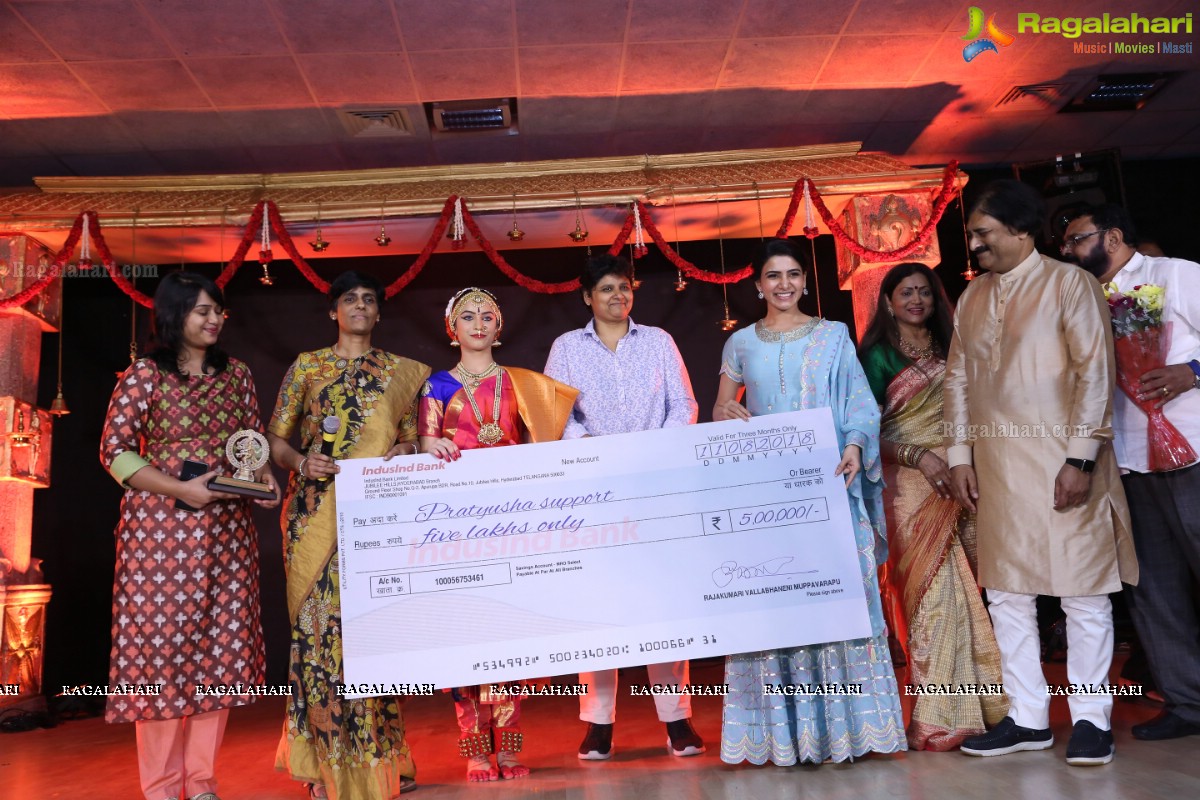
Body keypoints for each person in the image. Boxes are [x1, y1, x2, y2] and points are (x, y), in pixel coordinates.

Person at [945, 180, 1137, 766]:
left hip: (1064, 464)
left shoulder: (1069, 283)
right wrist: (959, 456)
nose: (974, 243)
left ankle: (1090, 719)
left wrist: (1080, 458)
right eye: (973, 234)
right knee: (1007, 593)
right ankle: (1028, 717)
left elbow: (1094, 374)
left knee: (1082, 593)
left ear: (1021, 231)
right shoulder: (974, 297)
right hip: (998, 468)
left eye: (983, 232)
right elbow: (957, 380)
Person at [713, 238, 907, 765]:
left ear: (804, 281)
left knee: (835, 599)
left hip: (828, 490)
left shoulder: (833, 336)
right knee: (778, 604)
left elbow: (858, 403)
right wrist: (728, 414)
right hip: (767, 500)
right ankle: (784, 734)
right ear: (757, 285)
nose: (783, 285)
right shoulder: (741, 345)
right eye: (773, 276)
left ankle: (847, 731)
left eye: (793, 275)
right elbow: (721, 410)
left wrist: (852, 446)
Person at [100, 271, 280, 800]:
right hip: (159, 537)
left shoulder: (238, 374)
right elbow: (115, 452)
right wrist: (179, 488)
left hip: (227, 536)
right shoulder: (143, 376)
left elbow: (251, 445)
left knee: (220, 654)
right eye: (202, 311)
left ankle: (201, 783)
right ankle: (160, 787)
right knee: (160, 655)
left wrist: (263, 482)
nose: (213, 319)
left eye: (217, 311)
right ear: (174, 315)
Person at [267, 271, 429, 799]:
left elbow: (410, 439)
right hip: (315, 518)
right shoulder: (308, 367)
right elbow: (276, 438)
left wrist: (404, 453)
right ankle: (326, 769)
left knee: (375, 637)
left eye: (368, 299)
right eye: (348, 299)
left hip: (377, 520)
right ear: (332, 312)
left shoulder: (400, 372)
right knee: (319, 643)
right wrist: (300, 460)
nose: (359, 306)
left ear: (379, 313)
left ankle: (382, 761)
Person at [543, 254, 705, 761]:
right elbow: (553, 413)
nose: (618, 297)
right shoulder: (567, 348)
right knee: (599, 608)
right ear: (587, 297)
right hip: (593, 492)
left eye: (625, 288)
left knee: (664, 604)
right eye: (607, 289)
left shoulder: (658, 341)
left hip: (656, 486)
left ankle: (677, 720)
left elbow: (685, 405)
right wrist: (593, 446)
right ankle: (598, 724)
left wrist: (654, 451)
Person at [419, 287, 578, 783]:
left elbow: (540, 446)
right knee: (466, 640)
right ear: (453, 328)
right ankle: (475, 750)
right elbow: (426, 441)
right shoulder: (437, 385)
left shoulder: (521, 384)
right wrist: (433, 445)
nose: (479, 324)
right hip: (456, 526)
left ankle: (507, 749)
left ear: (499, 326)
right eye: (468, 317)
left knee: (510, 640)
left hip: (508, 524)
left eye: (488, 316)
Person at [1060, 204, 1200, 741]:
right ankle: (1188, 701)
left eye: (1076, 239)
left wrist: (1191, 372)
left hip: (1190, 455)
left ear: (1113, 237)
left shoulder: (1175, 275)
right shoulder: (1080, 301)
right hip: (1126, 465)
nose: (1068, 250)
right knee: (1153, 589)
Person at [859, 262, 1008, 751]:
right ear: (887, 301)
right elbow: (862, 431)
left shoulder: (956, 347)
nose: (916, 300)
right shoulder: (876, 357)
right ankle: (942, 716)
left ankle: (995, 710)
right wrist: (919, 456)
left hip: (970, 479)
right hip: (911, 487)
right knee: (936, 599)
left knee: (988, 594)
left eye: (924, 291)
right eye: (906, 293)